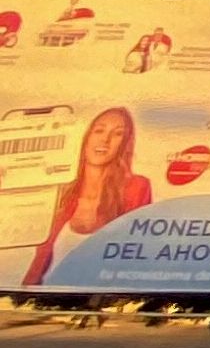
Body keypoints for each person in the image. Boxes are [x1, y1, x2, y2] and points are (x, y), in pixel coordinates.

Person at [20, 108, 151, 288]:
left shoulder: (136, 188)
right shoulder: (61, 193)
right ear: (86, 137)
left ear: (125, 143)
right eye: (99, 130)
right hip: (49, 302)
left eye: (117, 134)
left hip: (102, 304)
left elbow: (134, 257)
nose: (105, 140)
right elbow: (38, 264)